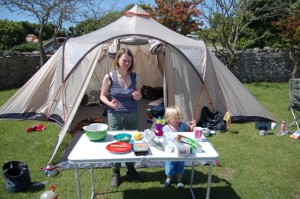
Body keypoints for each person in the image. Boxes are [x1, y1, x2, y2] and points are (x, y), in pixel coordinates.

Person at [100, 48, 143, 187]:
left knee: (131, 140)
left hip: (132, 112)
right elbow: (102, 96)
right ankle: (115, 172)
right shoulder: (109, 77)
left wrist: (138, 96)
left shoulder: (134, 76)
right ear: (117, 60)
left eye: (129, 61)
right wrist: (110, 104)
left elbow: (139, 94)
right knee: (116, 142)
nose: (127, 63)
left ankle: (130, 168)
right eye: (124, 60)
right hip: (115, 113)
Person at [162, 106, 196, 188]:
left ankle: (179, 180)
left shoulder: (183, 125)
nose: (177, 119)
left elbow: (189, 132)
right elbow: (164, 140)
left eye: (178, 117)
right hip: (171, 151)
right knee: (170, 165)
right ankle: (168, 179)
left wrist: (192, 127)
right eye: (174, 118)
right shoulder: (165, 128)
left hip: (182, 151)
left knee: (180, 165)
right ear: (168, 118)